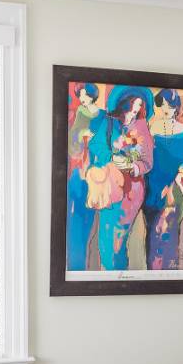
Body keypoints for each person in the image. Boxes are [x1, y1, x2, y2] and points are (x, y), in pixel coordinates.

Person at [95, 89, 154, 270]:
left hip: (131, 191)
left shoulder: (142, 127)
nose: (133, 113)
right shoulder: (109, 121)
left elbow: (147, 162)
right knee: (105, 237)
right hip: (109, 187)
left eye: (138, 108)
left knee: (118, 238)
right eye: (131, 107)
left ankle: (118, 278)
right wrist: (111, 158)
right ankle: (110, 278)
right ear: (123, 103)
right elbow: (96, 146)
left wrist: (132, 167)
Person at [145, 89, 183, 270]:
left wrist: (180, 175)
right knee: (153, 234)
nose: (166, 108)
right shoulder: (151, 128)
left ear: (176, 107)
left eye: (170, 105)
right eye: (163, 104)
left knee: (170, 235)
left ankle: (169, 277)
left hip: (175, 188)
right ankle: (153, 276)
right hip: (152, 189)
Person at [64, 83, 104, 271]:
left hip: (97, 176)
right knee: (76, 221)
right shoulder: (80, 112)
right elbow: (72, 142)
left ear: (92, 95)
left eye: (84, 95)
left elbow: (106, 146)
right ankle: (76, 267)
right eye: (79, 95)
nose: (81, 99)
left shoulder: (104, 116)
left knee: (94, 225)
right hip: (78, 174)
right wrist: (81, 135)